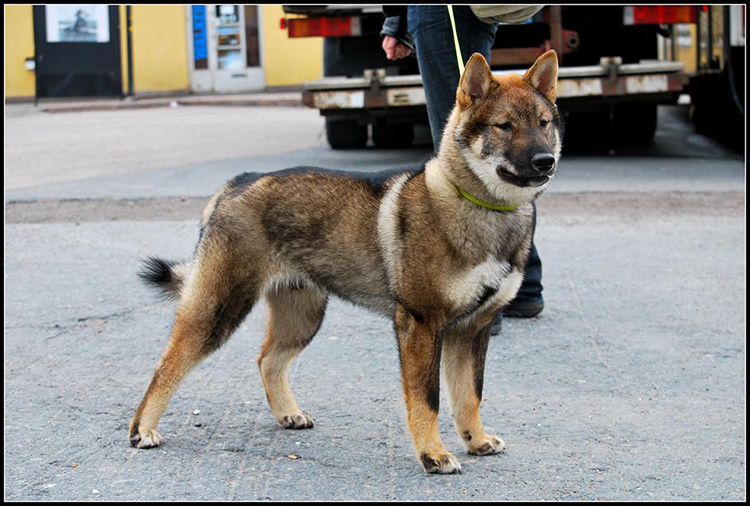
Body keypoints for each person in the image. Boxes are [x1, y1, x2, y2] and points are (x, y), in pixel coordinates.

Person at [380, 5, 546, 334]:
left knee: (464, 148)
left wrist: (395, 19)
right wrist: (397, 20)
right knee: (488, 156)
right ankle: (523, 283)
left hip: (445, 12)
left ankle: (484, 302)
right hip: (454, 12)